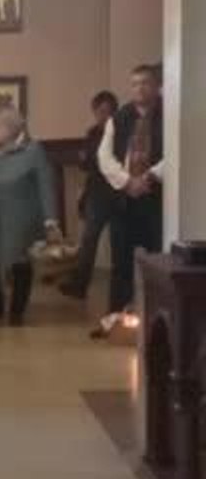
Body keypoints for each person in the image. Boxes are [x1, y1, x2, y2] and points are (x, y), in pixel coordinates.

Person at [0, 106, 61, 326]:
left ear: (10, 128)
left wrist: (50, 220)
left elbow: (45, 185)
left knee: (20, 263)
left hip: (21, 218)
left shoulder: (33, 151)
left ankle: (17, 311)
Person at [93, 64, 164, 338]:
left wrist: (150, 176)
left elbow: (177, 151)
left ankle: (157, 325)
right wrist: (127, 181)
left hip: (156, 198)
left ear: (156, 86)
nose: (139, 88)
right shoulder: (119, 118)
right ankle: (114, 321)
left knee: (158, 262)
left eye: (145, 82)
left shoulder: (169, 114)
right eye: (134, 83)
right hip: (124, 200)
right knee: (121, 264)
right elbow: (104, 157)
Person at [59, 91, 119, 300]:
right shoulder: (92, 133)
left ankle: (120, 287)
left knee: (118, 241)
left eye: (107, 111)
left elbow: (113, 162)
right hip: (96, 192)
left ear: (114, 111)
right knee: (89, 239)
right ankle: (79, 285)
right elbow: (86, 164)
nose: (103, 115)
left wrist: (92, 159)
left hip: (119, 193)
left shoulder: (121, 131)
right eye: (99, 111)